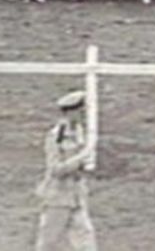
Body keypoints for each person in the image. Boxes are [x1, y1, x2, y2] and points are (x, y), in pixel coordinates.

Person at [34, 90, 97, 251]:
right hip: (57, 198)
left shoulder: (79, 133)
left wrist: (83, 165)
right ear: (70, 112)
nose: (83, 115)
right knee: (49, 242)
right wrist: (81, 157)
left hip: (76, 196)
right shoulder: (56, 136)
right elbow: (56, 169)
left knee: (85, 241)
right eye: (80, 111)